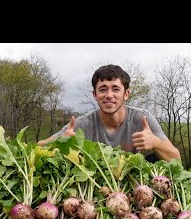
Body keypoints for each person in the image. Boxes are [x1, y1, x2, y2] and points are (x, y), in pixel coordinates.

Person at [37, 64, 181, 162]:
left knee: (156, 159)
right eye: (103, 89)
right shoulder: (82, 123)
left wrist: (155, 143)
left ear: (126, 94)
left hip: (129, 178)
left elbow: (176, 159)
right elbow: (39, 147)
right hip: (94, 180)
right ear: (95, 94)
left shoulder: (142, 119)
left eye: (116, 89)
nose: (109, 95)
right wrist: (60, 141)